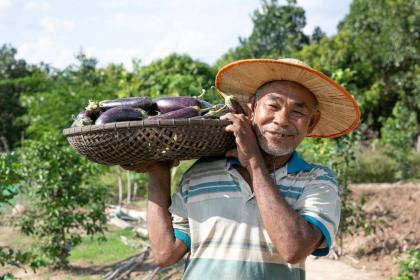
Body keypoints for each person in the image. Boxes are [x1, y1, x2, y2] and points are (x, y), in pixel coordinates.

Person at [124, 58, 360, 279]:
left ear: (312, 122)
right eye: (272, 105)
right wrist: (158, 170)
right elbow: (165, 254)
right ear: (252, 109)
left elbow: (293, 248)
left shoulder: (316, 180)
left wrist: (254, 162)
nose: (282, 119)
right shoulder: (201, 172)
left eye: (297, 111)